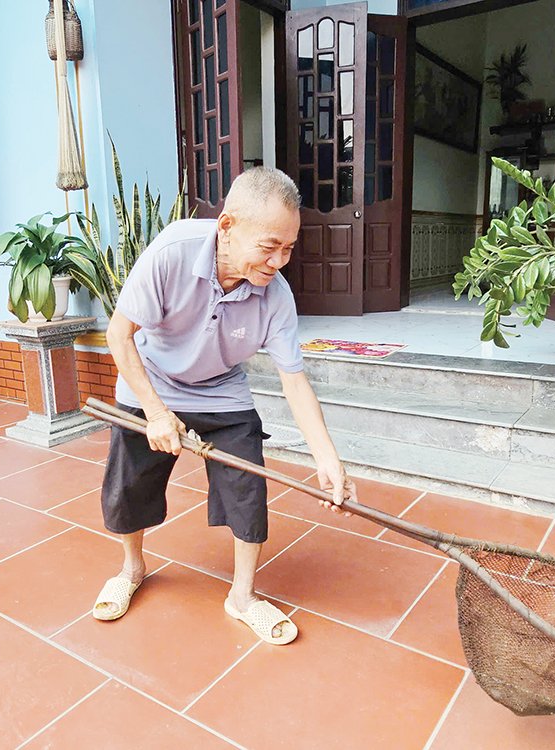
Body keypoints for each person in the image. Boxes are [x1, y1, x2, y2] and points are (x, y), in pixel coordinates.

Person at [93, 166, 357, 645]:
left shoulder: (276, 296)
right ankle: (132, 569)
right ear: (228, 227)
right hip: (151, 382)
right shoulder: (172, 252)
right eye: (269, 246)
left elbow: (294, 382)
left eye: (289, 248)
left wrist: (328, 459)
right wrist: (155, 413)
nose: (279, 261)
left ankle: (242, 596)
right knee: (127, 487)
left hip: (221, 390)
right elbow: (119, 334)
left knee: (248, 488)